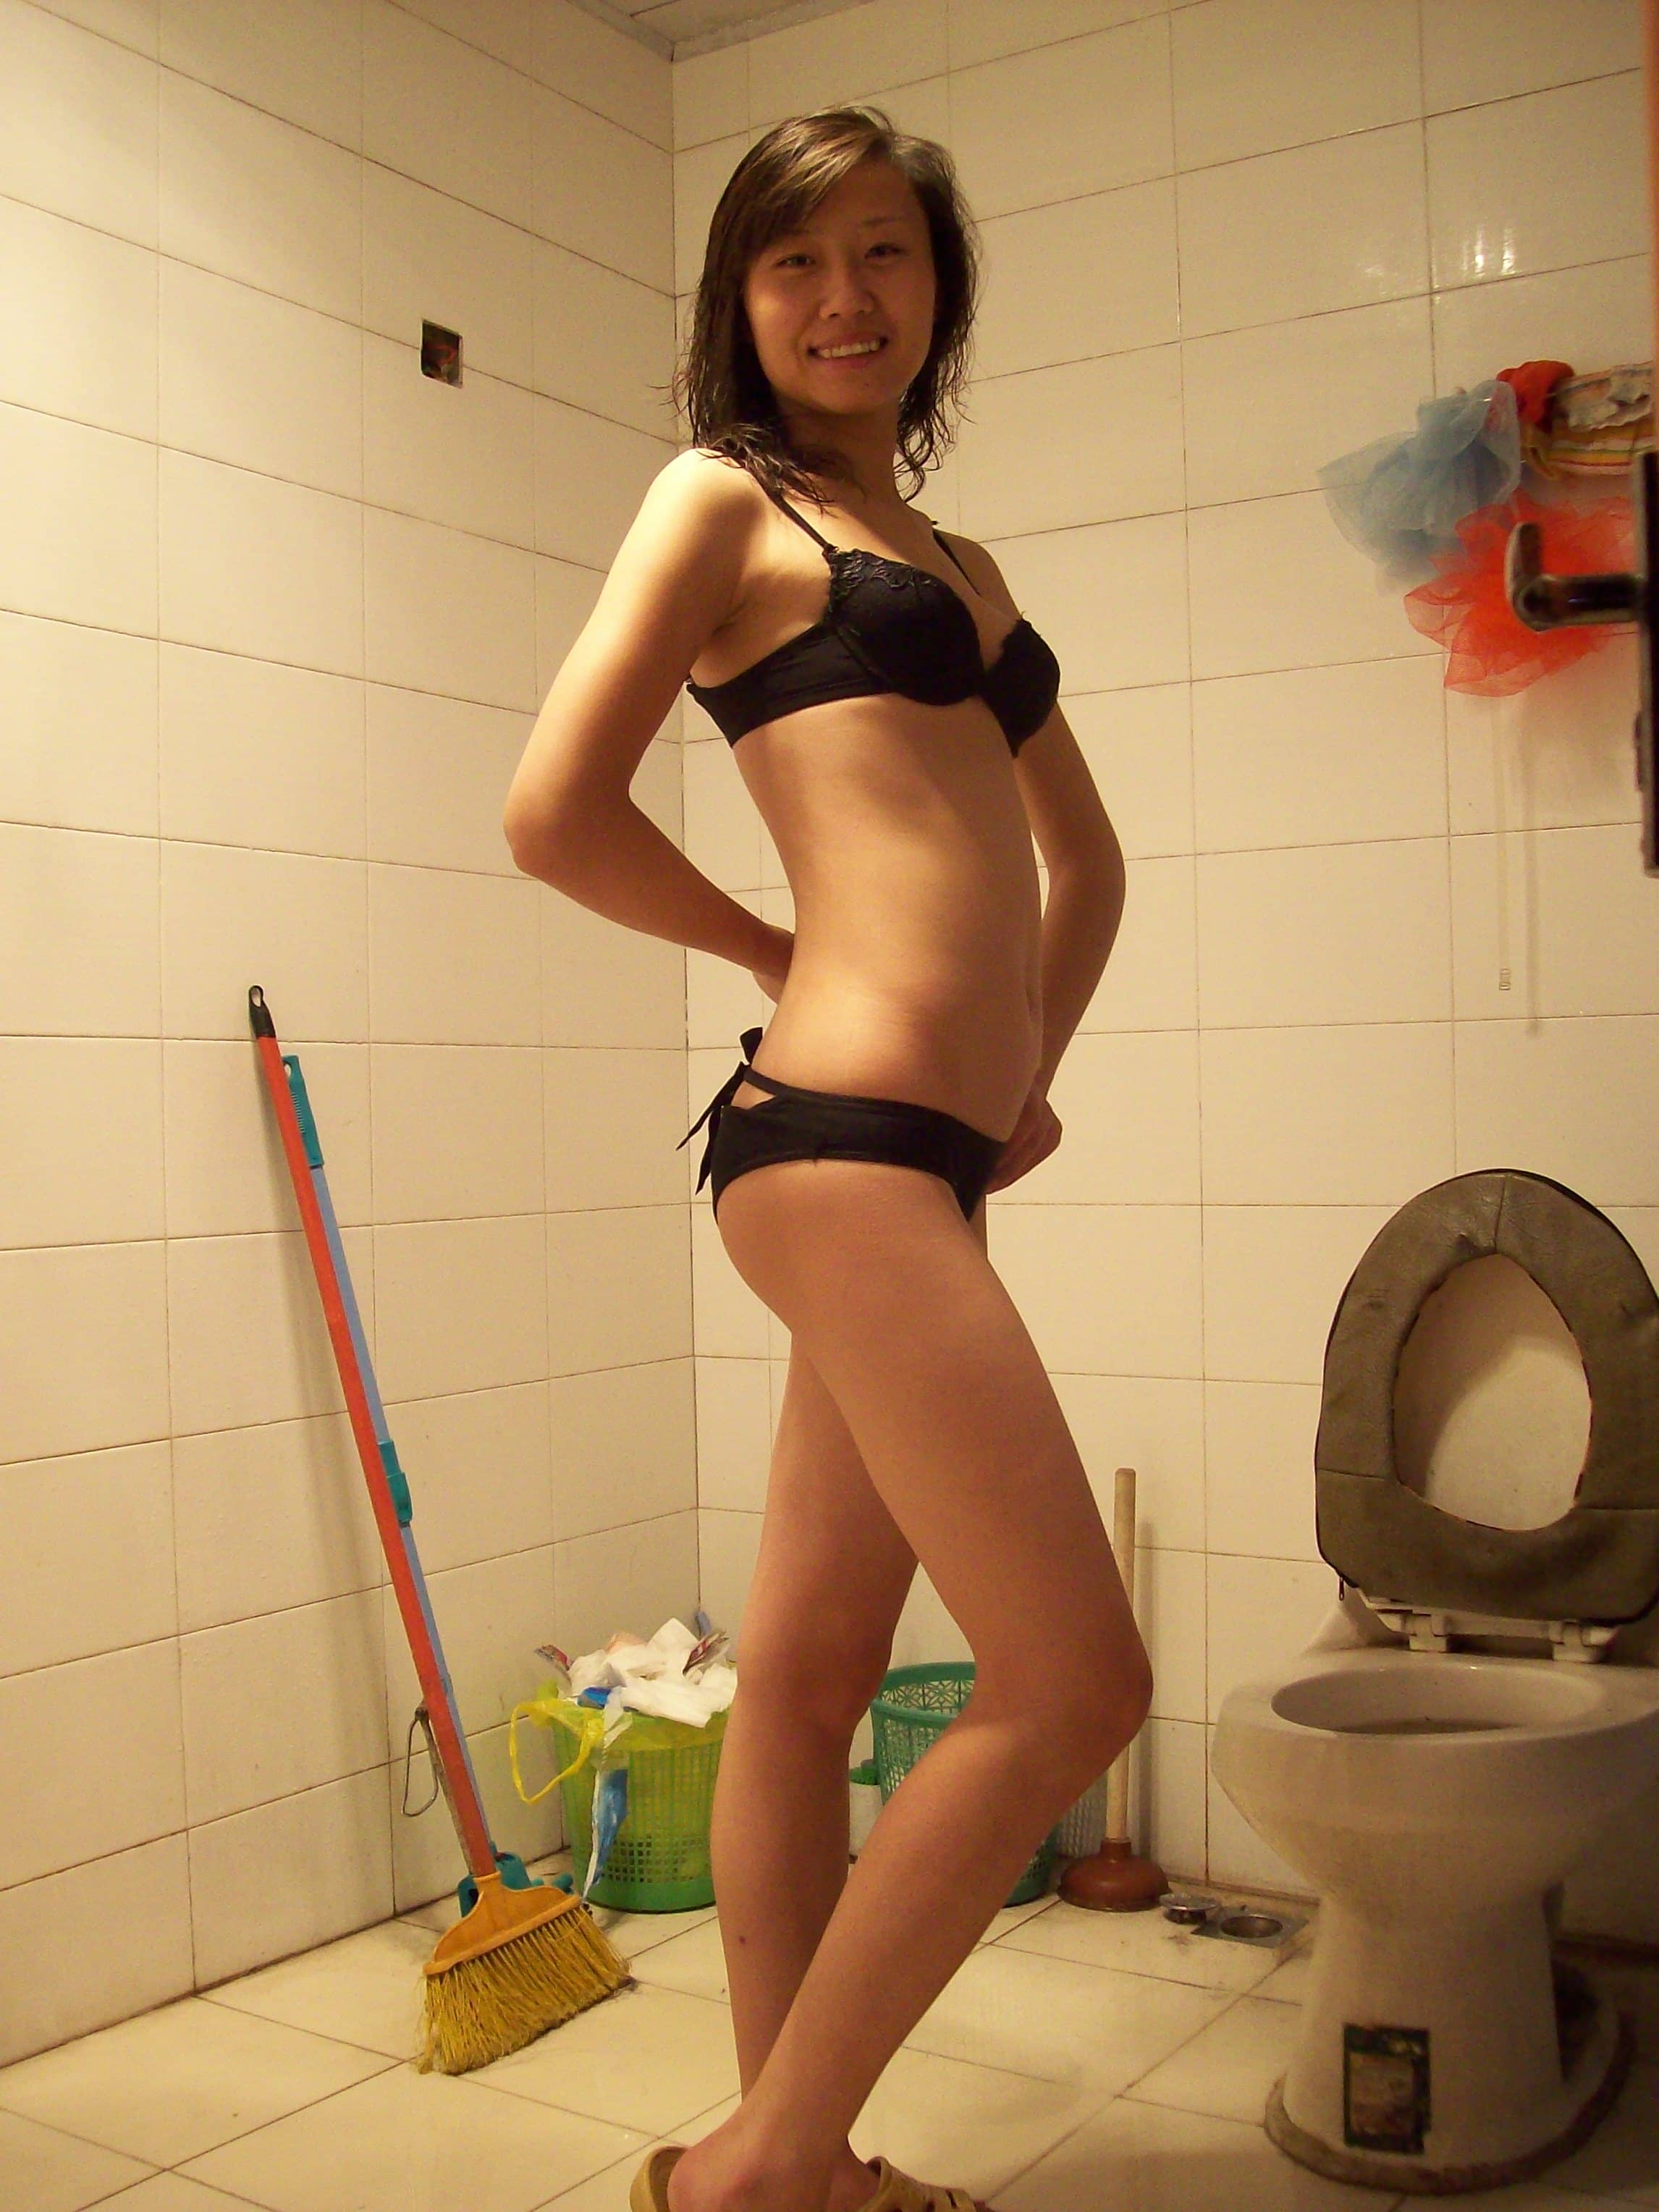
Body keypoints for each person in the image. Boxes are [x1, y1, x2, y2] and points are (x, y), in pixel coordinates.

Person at [505, 103, 1152, 2212]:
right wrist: (778, 949)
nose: (844, 295)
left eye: (886, 251)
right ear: (740, 300)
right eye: (796, 259)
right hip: (836, 1147)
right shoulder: (721, 501)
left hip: (918, 1164)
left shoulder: (960, 567)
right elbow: (554, 814)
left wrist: (1026, 1073)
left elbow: (1084, 860)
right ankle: (762, 2172)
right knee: (1076, 1685)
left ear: (936, 291)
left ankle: (796, 2163)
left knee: (802, 1684)